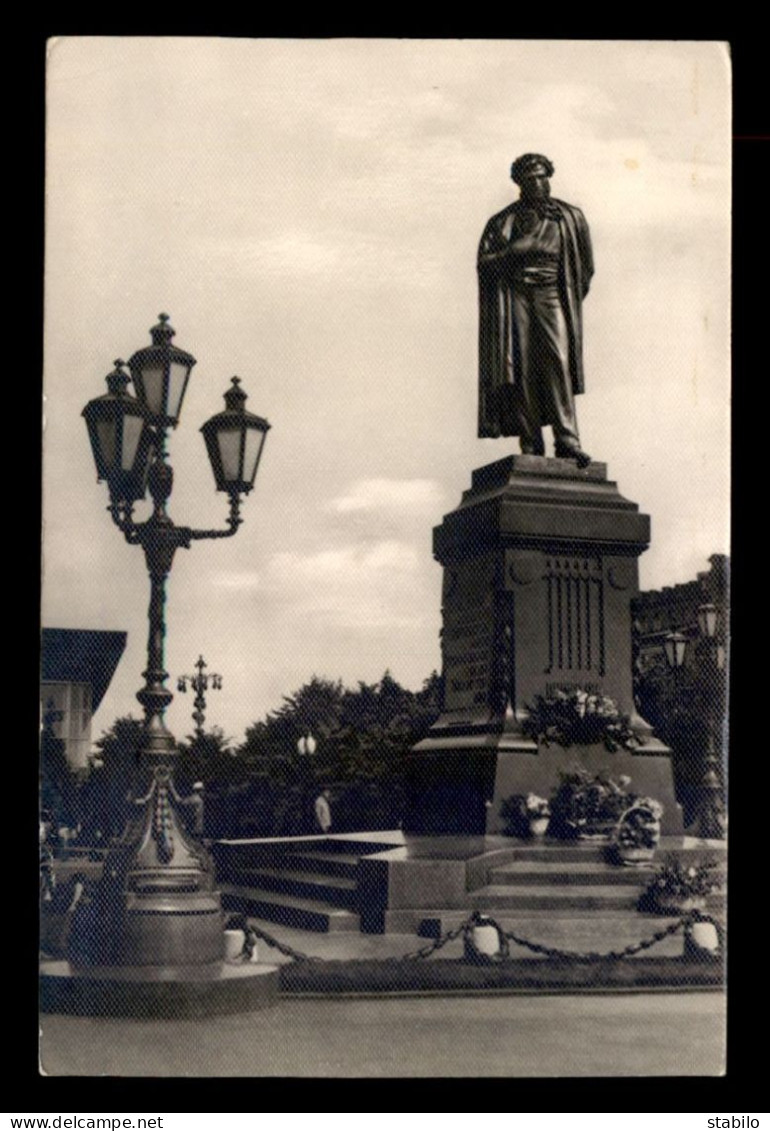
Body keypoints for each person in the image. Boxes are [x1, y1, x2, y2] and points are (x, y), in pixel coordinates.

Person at [477, 153, 594, 466]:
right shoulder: (502, 222)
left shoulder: (570, 217)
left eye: (544, 177)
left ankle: (568, 442)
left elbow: (585, 269)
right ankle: (531, 445)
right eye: (531, 180)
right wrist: (514, 252)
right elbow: (484, 264)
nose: (540, 184)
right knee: (522, 370)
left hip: (552, 295)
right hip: (515, 297)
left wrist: (564, 295)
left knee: (558, 363)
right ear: (520, 184)